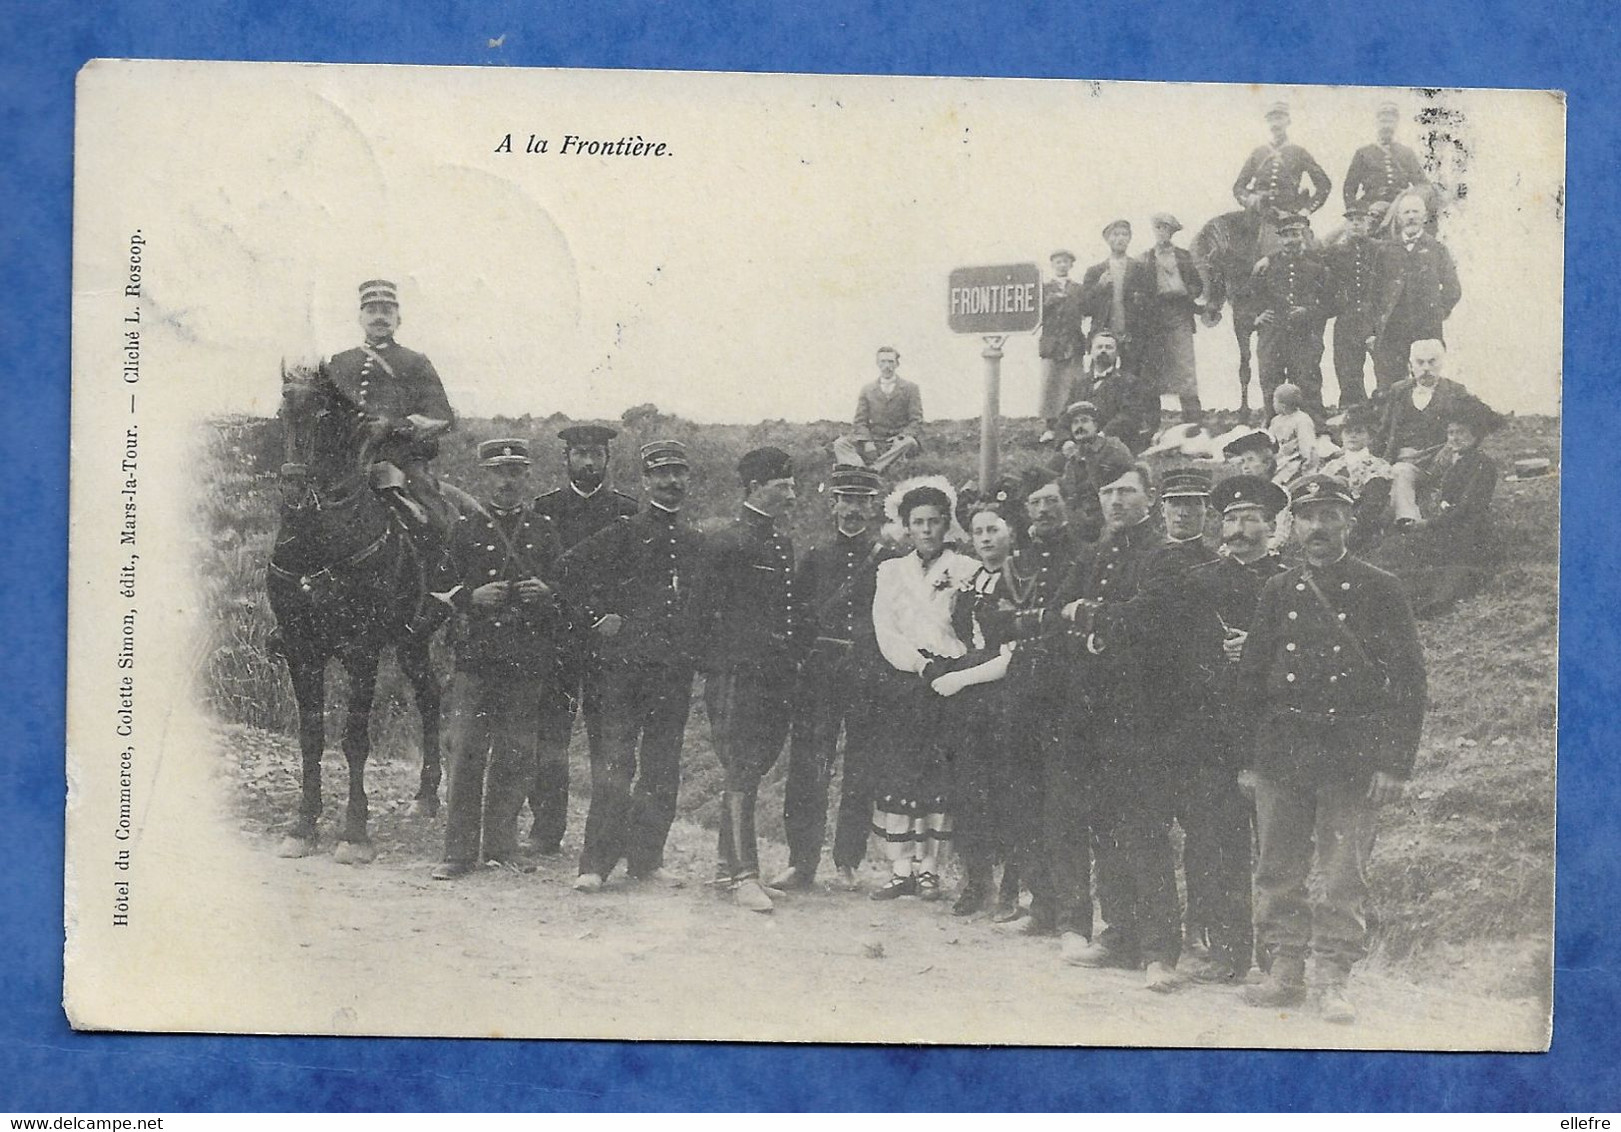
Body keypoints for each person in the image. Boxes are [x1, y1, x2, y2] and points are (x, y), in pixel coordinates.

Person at [1236, 473, 1427, 1023]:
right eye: (1308, 516)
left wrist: (1394, 762)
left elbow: (1408, 680)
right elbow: (1251, 677)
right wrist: (1248, 759)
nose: (1318, 526)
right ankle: (1285, 970)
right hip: (1283, 749)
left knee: (1344, 873)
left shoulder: (1381, 587)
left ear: (1350, 521)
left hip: (1352, 752)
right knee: (1278, 868)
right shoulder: (1278, 590)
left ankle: (1332, 978)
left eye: (1329, 515)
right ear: (1292, 525)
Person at [1055, 459, 1183, 992]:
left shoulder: (1164, 556)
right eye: (1107, 491)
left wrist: (1088, 614)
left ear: (1149, 498)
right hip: (1094, 710)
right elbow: (1055, 610)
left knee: (1144, 829)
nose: (1115, 500)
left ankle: (1159, 949)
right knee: (1105, 824)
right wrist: (1091, 615)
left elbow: (1147, 618)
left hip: (1145, 714)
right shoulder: (1095, 555)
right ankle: (1119, 932)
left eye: (1127, 491)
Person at [560, 440, 704, 892]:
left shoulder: (696, 540)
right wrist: (596, 617)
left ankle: (646, 860)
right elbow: (565, 570)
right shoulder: (624, 532)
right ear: (645, 482)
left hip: (672, 671)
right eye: (662, 475)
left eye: (679, 474)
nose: (672, 482)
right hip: (622, 671)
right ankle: (595, 864)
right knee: (615, 765)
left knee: (663, 766)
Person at [1173, 474, 1292, 982]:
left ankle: (1278, 953)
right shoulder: (1199, 581)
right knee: (1212, 844)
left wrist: (1261, 653)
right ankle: (1226, 952)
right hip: (1211, 733)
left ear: (1271, 525)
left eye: (1250, 519)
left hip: (1273, 733)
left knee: (1277, 849)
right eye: (1231, 518)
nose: (1239, 529)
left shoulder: (1290, 581)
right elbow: (1178, 653)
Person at [431, 439, 563, 880]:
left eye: (516, 473)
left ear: (527, 477)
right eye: (499, 473)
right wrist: (472, 596)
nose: (507, 482)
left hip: (526, 659)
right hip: (477, 658)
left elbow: (563, 588)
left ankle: (502, 846)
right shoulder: (464, 529)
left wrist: (546, 594)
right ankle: (459, 852)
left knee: (515, 753)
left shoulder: (544, 529)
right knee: (467, 750)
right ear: (485, 478)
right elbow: (437, 588)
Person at [691, 447, 805, 913]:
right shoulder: (724, 542)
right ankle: (743, 875)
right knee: (740, 767)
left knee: (753, 767)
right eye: (783, 485)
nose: (792, 494)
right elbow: (698, 616)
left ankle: (726, 867)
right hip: (737, 675)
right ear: (755, 486)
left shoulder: (780, 543)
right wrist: (720, 668)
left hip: (772, 674)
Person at [525, 424, 641, 854]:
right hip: (557, 639)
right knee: (551, 736)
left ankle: (609, 834)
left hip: (607, 642)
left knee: (607, 738)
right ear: (567, 459)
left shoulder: (627, 512)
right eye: (581, 454)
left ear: (608, 460)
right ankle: (546, 827)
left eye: (596, 454)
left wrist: (620, 616)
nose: (589, 462)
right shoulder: (544, 510)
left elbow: (637, 579)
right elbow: (539, 571)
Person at [776, 464, 893, 893]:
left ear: (874, 507)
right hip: (820, 672)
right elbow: (798, 618)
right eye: (846, 500)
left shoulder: (888, 560)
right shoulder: (815, 558)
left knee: (862, 766)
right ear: (833, 505)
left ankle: (848, 860)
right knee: (809, 766)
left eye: (862, 502)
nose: (853, 510)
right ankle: (801, 861)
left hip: (868, 673)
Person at [868, 478, 985, 902]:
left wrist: (950, 667)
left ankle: (930, 867)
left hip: (949, 681)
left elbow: (971, 628)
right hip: (905, 679)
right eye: (918, 522)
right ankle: (901, 867)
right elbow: (886, 629)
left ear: (946, 525)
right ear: (907, 527)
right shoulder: (890, 570)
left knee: (938, 773)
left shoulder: (964, 568)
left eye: (935, 522)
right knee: (902, 770)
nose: (927, 530)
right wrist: (918, 664)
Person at [994, 469, 1089, 929]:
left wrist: (1029, 620)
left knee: (1064, 805)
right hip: (1024, 688)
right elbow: (996, 622)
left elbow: (1073, 619)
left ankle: (1074, 917)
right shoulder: (1019, 561)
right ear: (1026, 511)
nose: (1045, 510)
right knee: (1025, 799)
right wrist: (1042, 620)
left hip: (1069, 690)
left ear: (1066, 503)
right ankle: (1042, 907)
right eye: (1036, 503)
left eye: (1052, 500)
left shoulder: (1086, 556)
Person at [945, 480, 1023, 915]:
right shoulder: (972, 578)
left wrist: (962, 679)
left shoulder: (1020, 580)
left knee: (1006, 788)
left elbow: (1013, 653)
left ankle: (1013, 885)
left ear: (1011, 532)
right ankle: (977, 880)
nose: (987, 539)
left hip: (1006, 693)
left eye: (994, 529)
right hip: (972, 693)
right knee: (969, 787)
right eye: (978, 533)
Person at [322, 279, 457, 532]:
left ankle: (440, 567)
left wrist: (394, 427)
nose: (379, 318)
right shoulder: (340, 363)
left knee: (433, 516)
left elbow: (442, 417)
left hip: (401, 461)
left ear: (398, 319)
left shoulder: (415, 363)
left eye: (387, 311)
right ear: (360, 318)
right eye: (372, 311)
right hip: (346, 462)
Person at [1383, 396, 1504, 615]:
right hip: (1449, 529)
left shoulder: (1482, 464)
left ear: (1475, 435)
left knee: (1448, 580)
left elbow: (1468, 508)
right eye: (1451, 433)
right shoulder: (1454, 461)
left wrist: (1429, 524)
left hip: (1471, 533)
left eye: (1462, 433)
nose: (1455, 438)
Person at [1371, 191, 1462, 391]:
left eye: (1415, 212)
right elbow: (1375, 291)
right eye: (1406, 212)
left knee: (1426, 376)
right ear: (1399, 218)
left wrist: (1438, 311)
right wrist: (1377, 324)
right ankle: (1393, 420)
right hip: (1394, 325)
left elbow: (1453, 288)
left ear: (1424, 217)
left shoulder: (1437, 249)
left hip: (1425, 325)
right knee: (1391, 380)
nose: (1411, 216)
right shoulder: (1386, 249)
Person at [1254, 213, 1330, 417]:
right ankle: (1272, 429)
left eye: (1296, 234)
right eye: (1286, 236)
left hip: (1303, 335)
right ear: (1280, 239)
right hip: (1272, 334)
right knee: (1270, 381)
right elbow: (1248, 294)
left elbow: (1331, 302)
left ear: (1303, 236)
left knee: (1307, 382)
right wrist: (1257, 316)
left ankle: (1316, 429)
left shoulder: (1316, 267)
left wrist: (1309, 311)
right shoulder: (1265, 266)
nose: (1291, 240)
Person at [1232, 102, 1333, 255]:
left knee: (1310, 256)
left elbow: (1324, 185)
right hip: (1258, 216)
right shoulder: (1258, 152)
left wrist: (1305, 210)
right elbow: (1238, 187)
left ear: (1288, 122)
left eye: (1279, 118)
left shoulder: (1298, 152)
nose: (1275, 124)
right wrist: (1249, 199)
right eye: (1271, 120)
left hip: (1288, 217)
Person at [1138, 213, 1207, 423]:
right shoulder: (1145, 258)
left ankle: (1192, 422)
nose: (1162, 233)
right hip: (1154, 316)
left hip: (1180, 313)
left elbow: (1198, 284)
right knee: (1153, 367)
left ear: (1172, 232)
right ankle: (1152, 423)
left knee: (1184, 365)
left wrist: (1188, 293)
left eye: (1166, 229)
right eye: (1158, 228)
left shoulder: (1184, 256)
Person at [1322, 203, 1392, 407]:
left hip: (1376, 317)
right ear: (1345, 225)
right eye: (1351, 221)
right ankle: (1354, 414)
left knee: (1385, 368)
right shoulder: (1335, 251)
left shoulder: (1380, 249)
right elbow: (1314, 256)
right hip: (1347, 317)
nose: (1355, 225)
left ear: (1368, 224)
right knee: (1347, 370)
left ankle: (1386, 412)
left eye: (1360, 221)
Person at [1050, 399, 1134, 542]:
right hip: (1080, 524)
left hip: (1110, 521)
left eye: (1084, 421)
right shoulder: (1072, 457)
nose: (1079, 426)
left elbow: (1129, 488)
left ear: (1096, 425)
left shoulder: (1113, 449)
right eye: (1075, 422)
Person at [1377, 339, 1472, 463]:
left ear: (1441, 363)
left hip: (1441, 461)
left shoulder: (1455, 390)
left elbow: (1468, 432)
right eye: (1420, 362)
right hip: (1403, 459)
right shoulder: (1399, 390)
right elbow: (1385, 429)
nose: (1426, 368)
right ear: (1410, 365)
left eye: (1432, 362)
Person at [834, 346, 923, 472]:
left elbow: (916, 420)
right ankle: (858, 469)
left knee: (909, 443)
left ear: (897, 364)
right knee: (840, 443)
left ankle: (873, 471)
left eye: (891, 362)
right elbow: (860, 421)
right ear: (877, 363)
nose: (887, 366)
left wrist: (901, 436)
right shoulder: (867, 390)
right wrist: (867, 442)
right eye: (883, 361)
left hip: (897, 442)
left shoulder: (911, 388)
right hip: (875, 439)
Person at [1320, 404, 1394, 552]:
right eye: (1348, 432)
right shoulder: (1332, 466)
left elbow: (1373, 505)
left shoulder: (1378, 466)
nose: (1352, 436)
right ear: (1341, 435)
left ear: (1370, 437)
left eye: (1359, 432)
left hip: (1361, 524)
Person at [1081, 221, 1155, 363]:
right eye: (1115, 234)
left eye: (1125, 234)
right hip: (1104, 336)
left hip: (1133, 335)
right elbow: (1084, 307)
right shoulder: (1095, 271)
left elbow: (1151, 303)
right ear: (1108, 239)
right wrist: (1099, 286)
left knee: (1133, 378)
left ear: (1129, 238)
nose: (1120, 238)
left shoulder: (1140, 269)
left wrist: (1140, 299)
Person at [1078, 329, 1159, 453]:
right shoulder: (1080, 381)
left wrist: (1102, 435)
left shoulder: (1129, 382)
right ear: (1091, 352)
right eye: (1099, 347)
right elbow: (1066, 413)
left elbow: (1128, 416)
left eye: (1109, 347)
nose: (1103, 351)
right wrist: (1064, 440)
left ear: (1117, 353)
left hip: (1113, 444)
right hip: (1081, 441)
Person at [1342, 101, 1430, 215]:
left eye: (1390, 121)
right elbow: (1349, 188)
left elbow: (1423, 184)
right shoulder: (1363, 153)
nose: (1386, 126)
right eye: (1383, 121)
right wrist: (1356, 211)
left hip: (1401, 207)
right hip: (1370, 208)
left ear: (1396, 123)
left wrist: (1410, 200)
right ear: (1376, 123)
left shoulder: (1406, 153)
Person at [1038, 249, 1089, 443]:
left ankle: (1071, 426)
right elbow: (1034, 314)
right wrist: (1048, 303)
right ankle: (1050, 427)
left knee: (1072, 385)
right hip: (1051, 343)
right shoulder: (1044, 288)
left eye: (1065, 262)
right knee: (1050, 384)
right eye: (1058, 262)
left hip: (1073, 342)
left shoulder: (1078, 288)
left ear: (1071, 265)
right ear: (1053, 265)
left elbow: (1086, 309)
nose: (1062, 265)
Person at [1269, 382, 1320, 484]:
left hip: (1295, 462)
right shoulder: (1276, 420)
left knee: (1277, 482)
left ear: (1283, 406)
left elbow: (1307, 445)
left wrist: (1306, 467)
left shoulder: (1301, 419)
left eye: (1274, 401)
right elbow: (1269, 440)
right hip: (1280, 459)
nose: (1273, 404)